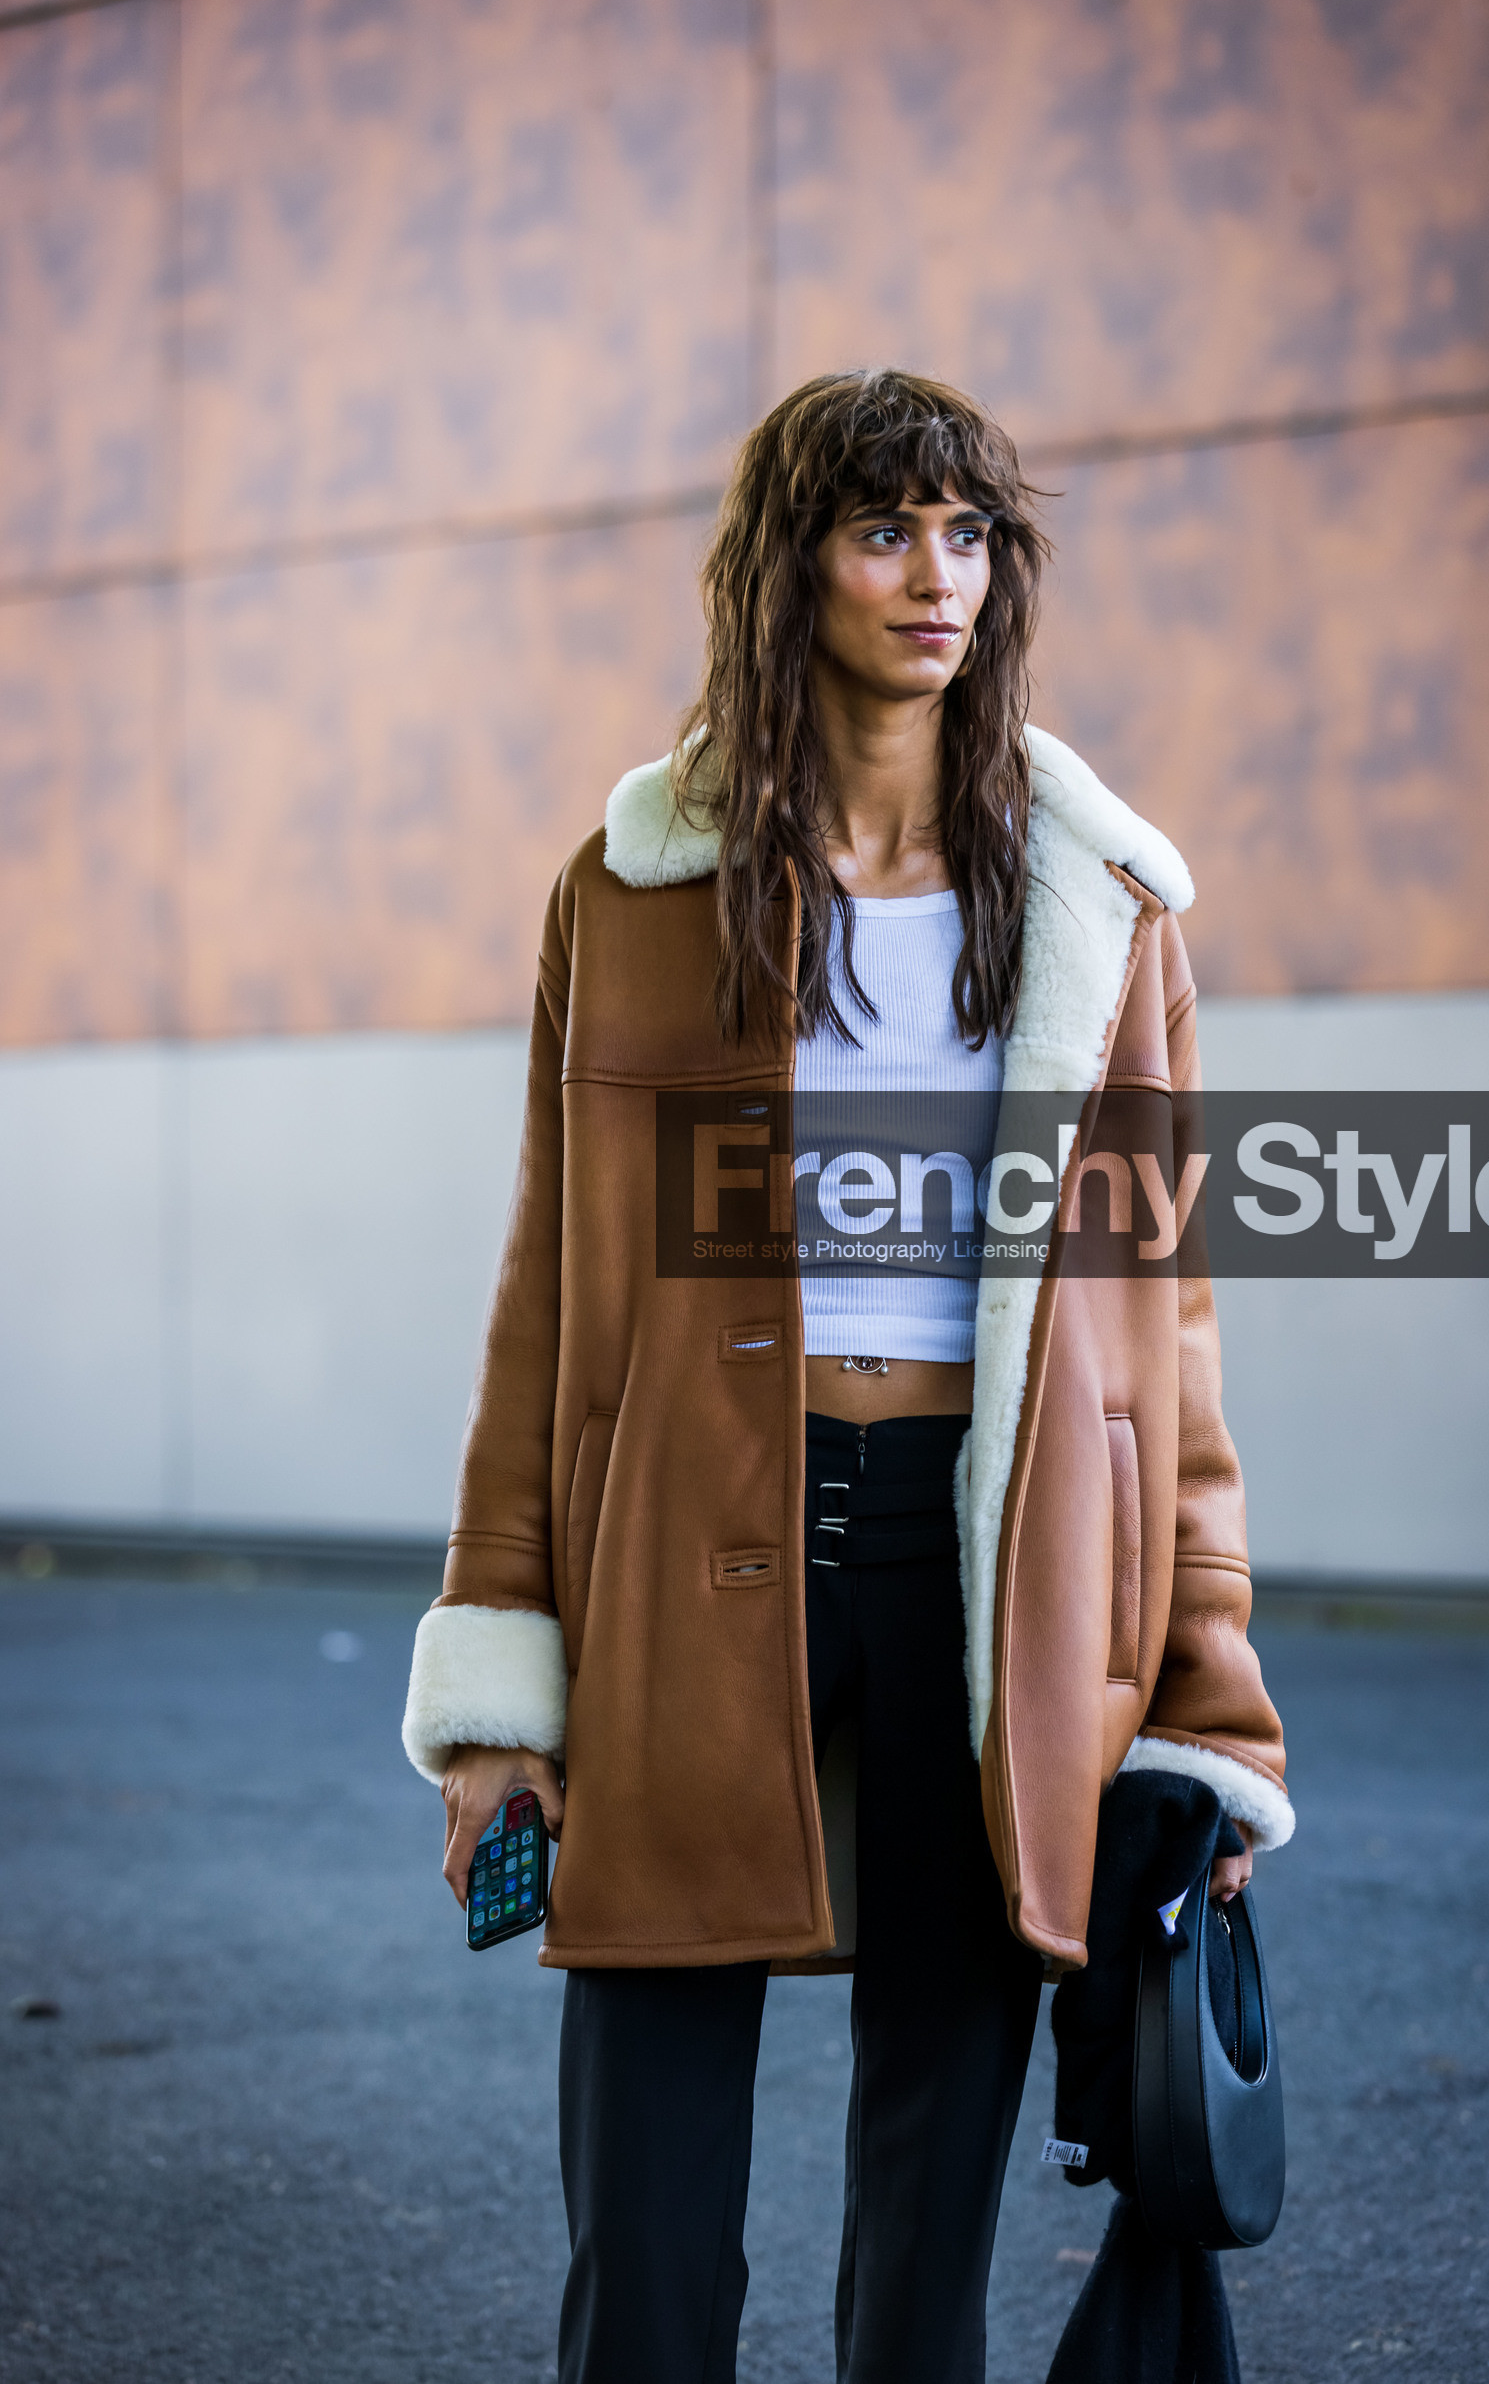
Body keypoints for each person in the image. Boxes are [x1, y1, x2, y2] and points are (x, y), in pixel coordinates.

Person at [401, 368, 1293, 2384]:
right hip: (688, 1550)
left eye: (967, 530)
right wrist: (493, 1692)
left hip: (982, 1570)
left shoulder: (1094, 908)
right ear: (785, 561)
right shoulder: (629, 893)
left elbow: (1165, 1341)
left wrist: (1207, 1713)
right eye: (883, 526)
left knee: (932, 2222)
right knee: (643, 2225)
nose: (933, 575)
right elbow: (550, 1296)